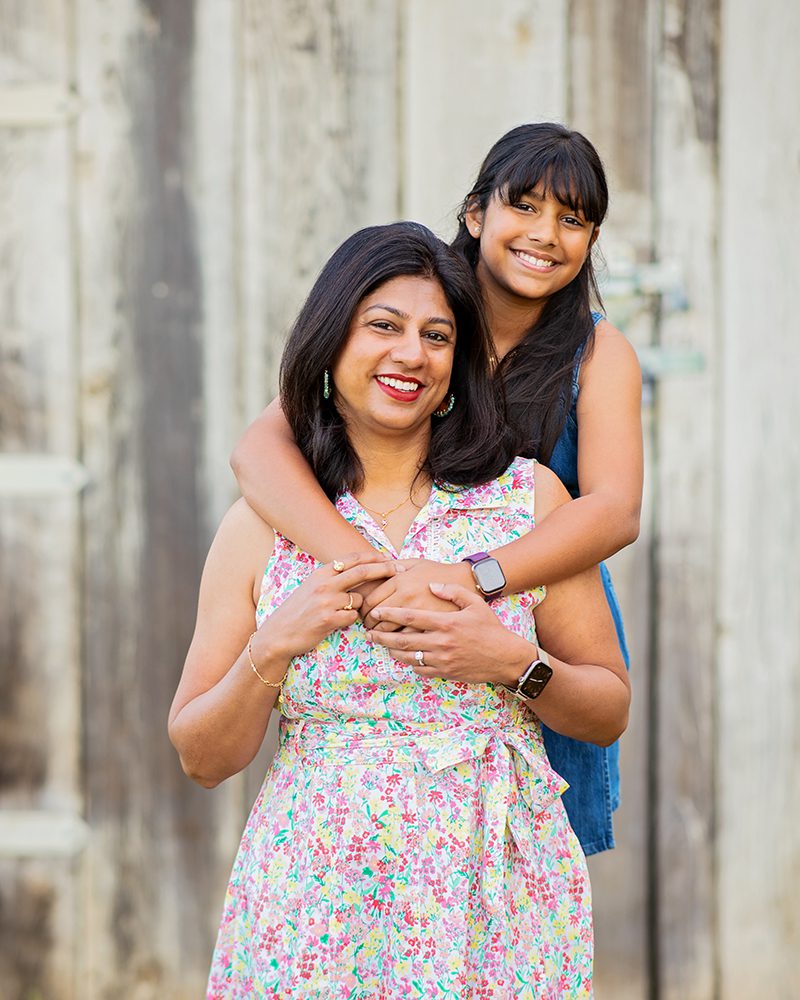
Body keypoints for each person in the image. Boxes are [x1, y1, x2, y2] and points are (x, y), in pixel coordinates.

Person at [169, 223, 630, 997]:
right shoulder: (264, 525)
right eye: (382, 325)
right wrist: (277, 643)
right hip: (314, 898)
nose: (411, 354)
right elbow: (201, 755)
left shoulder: (527, 504)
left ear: (456, 368)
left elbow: (607, 710)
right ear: (331, 342)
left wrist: (511, 664)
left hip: (496, 892)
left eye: (437, 336)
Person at [230, 123, 643, 856]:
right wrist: (371, 576)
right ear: (476, 213)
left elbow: (613, 510)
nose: (546, 234)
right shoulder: (419, 309)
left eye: (573, 219)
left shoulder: (597, 351)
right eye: (526, 206)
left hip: (537, 595)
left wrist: (474, 577)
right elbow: (260, 451)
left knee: (534, 832)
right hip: (388, 574)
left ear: (592, 238)